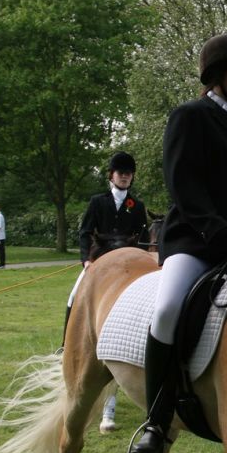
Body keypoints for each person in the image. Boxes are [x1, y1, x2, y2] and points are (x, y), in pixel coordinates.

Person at [126, 33, 227, 453]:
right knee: (167, 310)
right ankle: (156, 423)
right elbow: (184, 185)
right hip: (194, 241)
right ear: (217, 75)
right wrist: (220, 234)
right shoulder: (190, 116)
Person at [67, 151, 148, 433]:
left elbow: (143, 239)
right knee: (73, 296)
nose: (124, 176)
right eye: (120, 172)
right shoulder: (97, 202)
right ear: (111, 175)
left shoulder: (137, 205)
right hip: (99, 260)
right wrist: (86, 261)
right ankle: (67, 343)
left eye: (128, 173)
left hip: (128, 265)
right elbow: (85, 232)